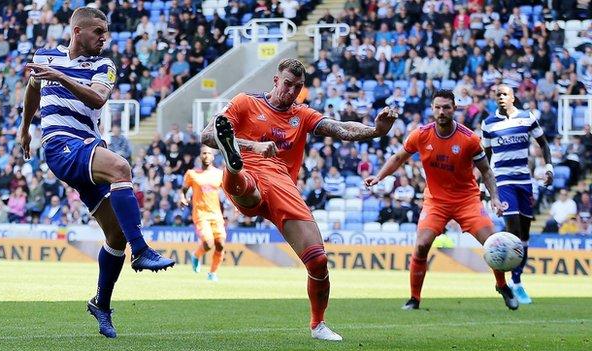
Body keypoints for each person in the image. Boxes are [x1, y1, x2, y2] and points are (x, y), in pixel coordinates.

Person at [200, 58, 398, 341]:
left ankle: (318, 324)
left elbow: (341, 128)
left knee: (318, 260)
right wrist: (251, 145)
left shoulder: (302, 115)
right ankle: (233, 164)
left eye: (297, 87)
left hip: (283, 185)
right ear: (276, 81)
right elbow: (207, 135)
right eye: (287, 84)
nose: (291, 91)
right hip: (251, 169)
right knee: (248, 188)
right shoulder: (245, 102)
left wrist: (376, 131)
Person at [19, 7, 175, 339]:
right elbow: (33, 88)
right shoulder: (44, 55)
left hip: (89, 145)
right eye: (98, 32)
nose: (104, 37)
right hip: (61, 145)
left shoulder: (104, 66)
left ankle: (100, 304)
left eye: (106, 32)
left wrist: (60, 77)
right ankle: (143, 251)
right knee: (121, 166)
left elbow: (99, 98)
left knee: (115, 236)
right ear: (78, 31)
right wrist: (24, 128)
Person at [364, 90, 518, 311]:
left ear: (454, 108)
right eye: (437, 107)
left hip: (467, 201)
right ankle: (414, 299)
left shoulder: (469, 139)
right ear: (432, 109)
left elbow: (486, 171)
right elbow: (398, 157)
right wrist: (379, 177)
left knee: (494, 243)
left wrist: (494, 197)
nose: (441, 111)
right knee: (421, 246)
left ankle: (502, 285)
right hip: (436, 201)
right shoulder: (421, 134)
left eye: (446, 107)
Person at [481, 85, 553, 304]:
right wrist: (487, 188)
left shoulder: (526, 118)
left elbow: (543, 143)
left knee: (524, 236)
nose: (501, 98)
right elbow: (485, 157)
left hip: (524, 181)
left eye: (505, 94)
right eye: (498, 95)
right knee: (512, 226)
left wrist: (548, 167)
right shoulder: (489, 124)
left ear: (513, 97)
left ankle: (517, 281)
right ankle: (513, 282)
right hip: (503, 182)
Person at [179, 145, 226, 282]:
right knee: (208, 243)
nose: (206, 156)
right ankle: (196, 255)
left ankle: (212, 273)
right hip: (200, 214)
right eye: (204, 153)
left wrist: (236, 205)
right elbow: (184, 190)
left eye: (209, 153)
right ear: (200, 156)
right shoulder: (192, 174)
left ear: (213, 156)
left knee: (221, 244)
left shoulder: (220, 174)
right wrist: (182, 198)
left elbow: (228, 193)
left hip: (216, 214)